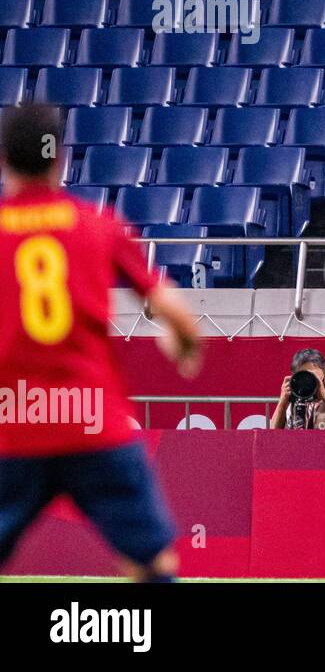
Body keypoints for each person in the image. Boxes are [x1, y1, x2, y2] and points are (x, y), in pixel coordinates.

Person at [0, 103, 202, 581]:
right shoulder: (98, 223)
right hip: (93, 420)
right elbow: (175, 312)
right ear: (60, 159)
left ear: (5, 159)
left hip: (15, 421)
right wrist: (185, 344)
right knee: (154, 562)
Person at [271, 348, 325, 430]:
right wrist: (282, 402)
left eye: (312, 375)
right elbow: (272, 433)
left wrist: (324, 396)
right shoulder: (295, 396)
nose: (307, 379)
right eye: (303, 375)